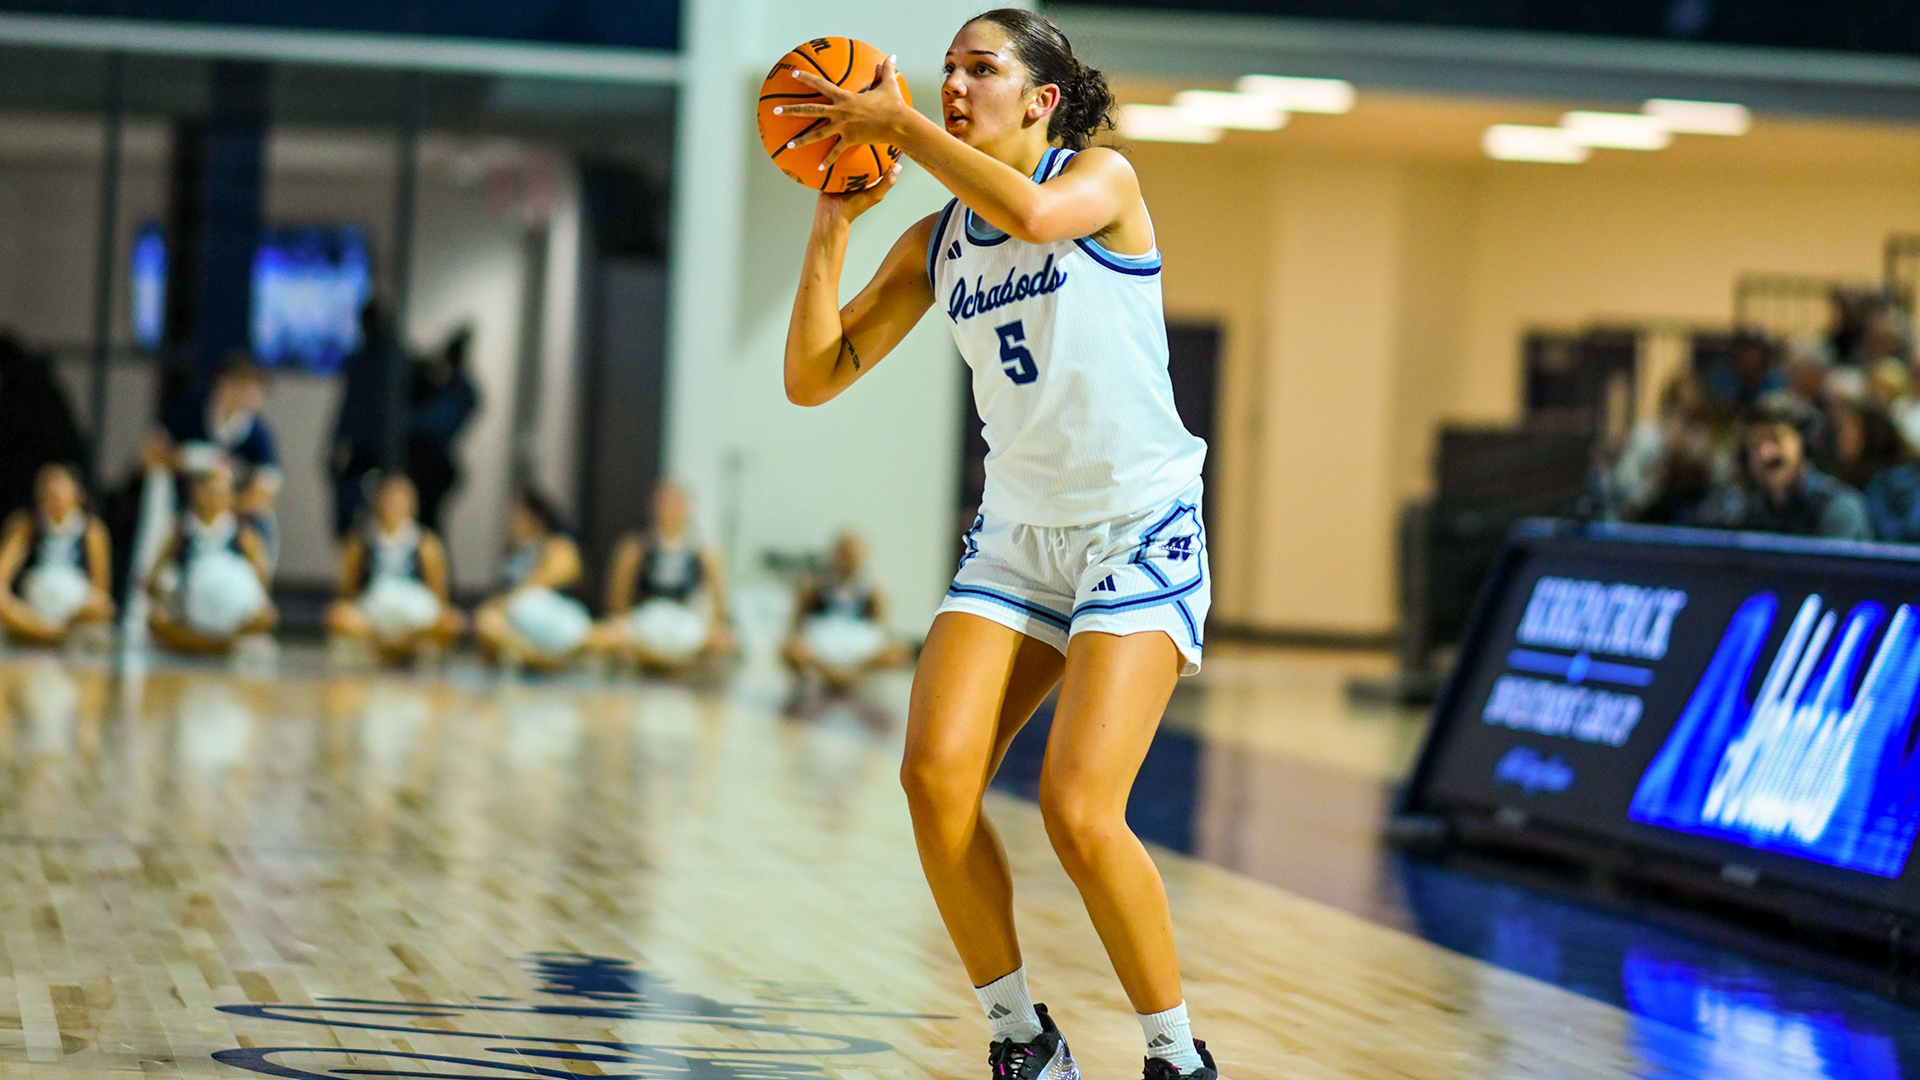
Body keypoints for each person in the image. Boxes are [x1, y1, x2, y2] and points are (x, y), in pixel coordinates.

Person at [777, 11, 1219, 1079]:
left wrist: (901, 129)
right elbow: (812, 377)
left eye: (982, 69)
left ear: (1041, 100)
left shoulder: (1101, 181)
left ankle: (1175, 1055)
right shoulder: (937, 241)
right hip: (1019, 539)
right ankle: (1024, 1040)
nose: (954, 87)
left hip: (1136, 528)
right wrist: (833, 221)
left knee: (1077, 808)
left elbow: (1029, 211)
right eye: (945, 73)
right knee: (934, 779)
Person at [144, 353, 283, 559]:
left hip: (229, 518)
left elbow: (266, 489)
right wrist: (188, 459)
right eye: (240, 386)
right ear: (222, 384)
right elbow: (148, 454)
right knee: (158, 484)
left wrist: (222, 503)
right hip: (181, 511)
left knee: (262, 522)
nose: (247, 395)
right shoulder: (191, 413)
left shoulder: (258, 434)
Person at [592, 479, 734, 673]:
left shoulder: (704, 552)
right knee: (607, 636)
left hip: (684, 621)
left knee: (724, 642)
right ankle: (662, 661)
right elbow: (617, 599)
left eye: (676, 502)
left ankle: (664, 662)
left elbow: (720, 601)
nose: (669, 508)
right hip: (646, 619)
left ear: (688, 507)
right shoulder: (635, 547)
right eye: (663, 502)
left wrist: (712, 627)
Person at [1690, 393, 1872, 540]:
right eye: (1755, 444)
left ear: (1806, 445)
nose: (1765, 453)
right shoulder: (1738, 508)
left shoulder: (1839, 507)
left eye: (1776, 440)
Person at [326, 473, 465, 664]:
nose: (395, 505)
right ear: (379, 501)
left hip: (415, 618)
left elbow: (439, 595)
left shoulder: (427, 545)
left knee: (452, 623)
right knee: (338, 617)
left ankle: (399, 648)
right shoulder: (361, 541)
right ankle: (390, 648)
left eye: (402, 499)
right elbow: (347, 592)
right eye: (390, 499)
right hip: (374, 615)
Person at [146, 461, 277, 654]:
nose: (215, 498)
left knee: (267, 617)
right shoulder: (179, 533)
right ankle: (213, 645)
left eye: (221, 493)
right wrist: (171, 591)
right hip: (190, 614)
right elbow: (152, 581)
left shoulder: (244, 535)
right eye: (209, 491)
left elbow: (262, 584)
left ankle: (212, 644)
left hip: (234, 618)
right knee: (156, 620)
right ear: (197, 493)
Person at [474, 488, 589, 670]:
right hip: (518, 616)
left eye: (519, 514)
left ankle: (543, 660)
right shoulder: (514, 550)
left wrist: (508, 600)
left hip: (549, 614)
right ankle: (536, 658)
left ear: (536, 517)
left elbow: (561, 575)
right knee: (486, 623)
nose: (512, 519)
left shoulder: (557, 545)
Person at [0, 463, 113, 646]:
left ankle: (51, 634)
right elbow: (3, 572)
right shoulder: (26, 524)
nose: (50, 500)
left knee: (102, 607)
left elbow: (101, 588)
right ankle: (51, 634)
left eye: (56, 494)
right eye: (45, 494)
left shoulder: (92, 530)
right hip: (33, 607)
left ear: (76, 494)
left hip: (74, 610)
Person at [782, 531, 909, 694]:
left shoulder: (874, 589)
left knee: (899, 653)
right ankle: (831, 675)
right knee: (791, 651)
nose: (850, 561)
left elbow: (881, 628)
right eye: (846, 555)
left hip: (857, 647)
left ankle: (849, 676)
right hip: (822, 643)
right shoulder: (814, 584)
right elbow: (797, 623)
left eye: (855, 556)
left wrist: (864, 662)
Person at [407, 326, 480, 532]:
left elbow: (431, 423)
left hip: (434, 467)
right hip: (428, 465)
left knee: (427, 528)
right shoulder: (449, 388)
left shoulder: (461, 393)